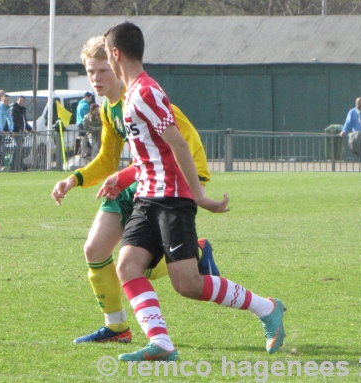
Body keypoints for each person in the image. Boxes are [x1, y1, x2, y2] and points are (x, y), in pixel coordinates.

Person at [98, 22, 285, 362]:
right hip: (146, 198)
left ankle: (268, 308)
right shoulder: (132, 95)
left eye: (106, 58)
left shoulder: (145, 92)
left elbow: (179, 145)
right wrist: (123, 178)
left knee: (188, 284)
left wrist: (199, 196)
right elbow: (151, 154)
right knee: (127, 265)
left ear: (115, 54)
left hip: (171, 200)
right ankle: (162, 343)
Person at [52, 35, 227, 346]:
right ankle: (117, 327)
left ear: (117, 62)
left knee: (132, 265)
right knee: (95, 251)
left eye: (102, 70)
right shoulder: (108, 109)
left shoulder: (146, 97)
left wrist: (194, 188)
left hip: (172, 178)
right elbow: (107, 159)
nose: (95, 79)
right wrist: (73, 179)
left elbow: (178, 150)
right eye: (90, 72)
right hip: (139, 176)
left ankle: (195, 253)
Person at [11, 96, 33, 170]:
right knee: (17, 148)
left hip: (21, 132)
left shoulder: (23, 109)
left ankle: (18, 165)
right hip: (17, 132)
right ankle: (13, 166)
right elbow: (15, 121)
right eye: (20, 100)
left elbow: (24, 122)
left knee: (19, 148)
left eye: (23, 101)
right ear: (17, 100)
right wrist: (22, 129)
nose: (22, 102)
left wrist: (30, 129)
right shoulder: (14, 108)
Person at [76, 91, 94, 156]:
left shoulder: (79, 105)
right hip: (84, 124)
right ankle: (85, 153)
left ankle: (81, 153)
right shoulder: (86, 105)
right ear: (86, 97)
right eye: (90, 98)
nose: (90, 100)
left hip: (79, 123)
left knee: (83, 139)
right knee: (87, 139)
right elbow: (87, 116)